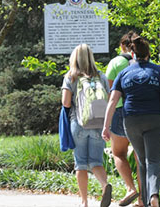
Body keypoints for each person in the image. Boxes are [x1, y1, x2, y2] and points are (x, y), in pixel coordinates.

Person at [102, 34, 160, 207]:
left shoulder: (124, 73)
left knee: (142, 159)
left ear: (133, 54)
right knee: (154, 160)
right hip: (157, 119)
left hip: (132, 120)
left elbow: (112, 100)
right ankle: (153, 196)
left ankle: (146, 201)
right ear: (148, 54)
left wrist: (106, 126)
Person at [62, 44, 112, 207]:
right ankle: (105, 185)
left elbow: (66, 102)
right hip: (99, 123)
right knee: (96, 161)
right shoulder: (101, 76)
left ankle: (84, 202)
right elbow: (109, 100)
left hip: (79, 124)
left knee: (81, 163)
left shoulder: (71, 77)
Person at [106, 31, 142, 207]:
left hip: (120, 111)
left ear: (122, 46)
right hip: (142, 113)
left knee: (118, 153)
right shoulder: (144, 61)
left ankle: (130, 188)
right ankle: (143, 199)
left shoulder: (115, 63)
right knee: (140, 156)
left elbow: (110, 91)